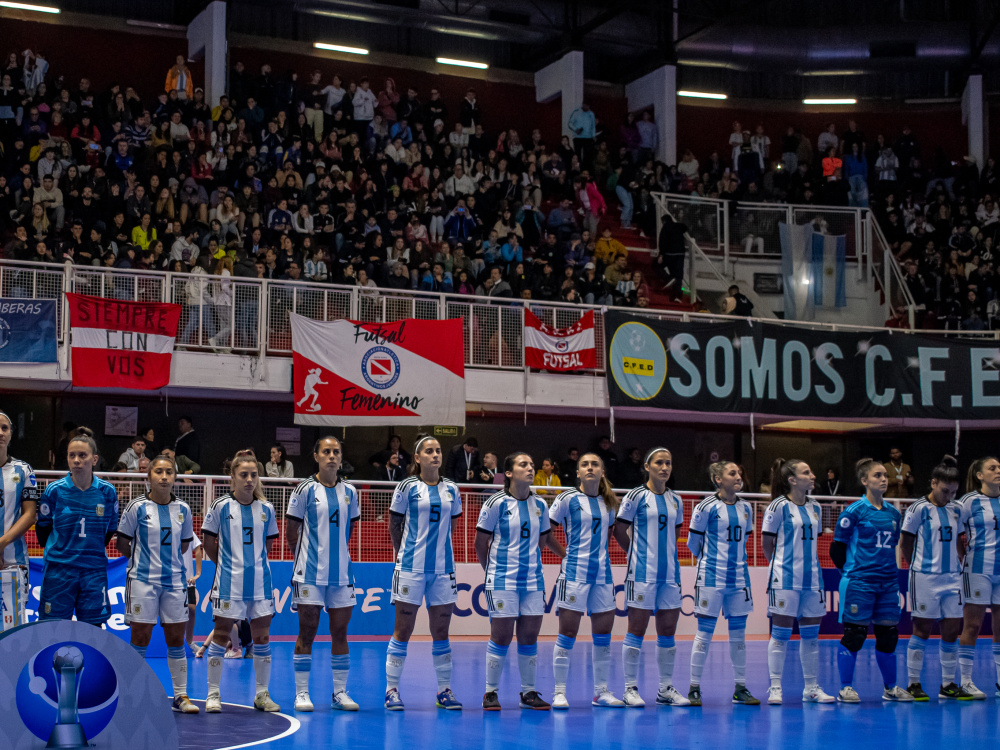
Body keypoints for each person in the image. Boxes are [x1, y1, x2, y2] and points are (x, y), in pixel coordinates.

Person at [385, 437, 463, 710]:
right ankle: (391, 690)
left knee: (441, 631)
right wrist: (404, 556)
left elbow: (452, 526)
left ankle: (444, 691)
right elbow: (394, 525)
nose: (435, 455)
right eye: (429, 451)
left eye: (438, 450)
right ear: (417, 458)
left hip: (443, 570)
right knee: (403, 630)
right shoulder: (407, 487)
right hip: (410, 568)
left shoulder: (452, 489)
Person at [116, 456, 199, 714]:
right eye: (159, 472)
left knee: (176, 638)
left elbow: (184, 545)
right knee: (140, 636)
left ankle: (181, 696)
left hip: (174, 582)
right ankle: (131, 695)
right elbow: (122, 543)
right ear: (148, 477)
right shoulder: (136, 507)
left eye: (169, 472)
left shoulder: (183, 509)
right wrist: (143, 562)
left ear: (175, 477)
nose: (164, 476)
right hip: (142, 581)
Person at [201, 450, 280, 713]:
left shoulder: (267, 509)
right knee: (221, 636)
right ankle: (213, 694)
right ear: (232, 477)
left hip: (260, 583)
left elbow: (267, 546)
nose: (249, 480)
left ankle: (262, 695)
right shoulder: (220, 506)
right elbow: (208, 543)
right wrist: (226, 565)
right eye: (243, 475)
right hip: (228, 583)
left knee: (262, 638)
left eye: (253, 475)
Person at [287, 436, 361, 712]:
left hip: (341, 575)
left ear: (341, 458)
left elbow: (349, 530)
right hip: (309, 574)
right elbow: (291, 532)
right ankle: (301, 693)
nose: (332, 456)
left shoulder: (350, 491)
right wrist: (304, 559)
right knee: (307, 632)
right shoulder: (304, 489)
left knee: (340, 632)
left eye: (336, 452)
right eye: (326, 451)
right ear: (316, 456)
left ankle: (340, 693)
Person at [613, 448, 690, 707]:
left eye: (668, 463)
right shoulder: (635, 496)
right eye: (659, 462)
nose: (664, 467)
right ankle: (629, 689)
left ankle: (665, 689)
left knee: (667, 631)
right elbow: (619, 530)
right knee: (636, 630)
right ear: (647, 466)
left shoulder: (676, 499)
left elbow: (675, 533)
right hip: (641, 573)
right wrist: (635, 554)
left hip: (670, 574)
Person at [475, 453, 553, 710]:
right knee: (501, 636)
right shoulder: (495, 503)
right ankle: (490, 693)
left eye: (532, 464)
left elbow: (542, 540)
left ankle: (528, 693)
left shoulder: (540, 505)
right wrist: (491, 572)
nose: (530, 468)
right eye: (523, 465)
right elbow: (480, 543)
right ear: (508, 473)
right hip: (502, 579)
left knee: (529, 636)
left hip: (533, 580)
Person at [830, 458, 911, 702]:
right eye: (878, 475)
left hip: (888, 583)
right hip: (860, 582)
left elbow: (892, 545)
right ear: (864, 480)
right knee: (855, 635)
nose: (884, 479)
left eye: (885, 475)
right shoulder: (854, 511)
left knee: (889, 635)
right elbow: (837, 548)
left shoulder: (893, 513)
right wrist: (851, 573)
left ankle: (890, 688)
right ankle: (845, 688)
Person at [548, 453, 623, 709]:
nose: (590, 468)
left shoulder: (609, 503)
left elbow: (608, 536)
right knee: (567, 633)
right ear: (578, 472)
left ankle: (601, 692)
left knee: (603, 635)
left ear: (602, 471)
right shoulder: (566, 499)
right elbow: (546, 532)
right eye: (584, 465)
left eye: (595, 464)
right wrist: (565, 555)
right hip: (574, 575)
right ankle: (559, 692)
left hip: (602, 576)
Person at [761, 459, 836, 705]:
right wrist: (779, 567)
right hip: (785, 579)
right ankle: (775, 687)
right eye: (806, 472)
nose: (812, 475)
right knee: (780, 635)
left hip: (812, 580)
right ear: (792, 480)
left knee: (811, 637)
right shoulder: (778, 506)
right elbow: (767, 544)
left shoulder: (816, 507)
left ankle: (811, 688)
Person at [686, 460, 759, 706]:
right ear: (718, 479)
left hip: (738, 578)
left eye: (739, 473)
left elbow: (744, 539)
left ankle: (740, 688)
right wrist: (710, 561)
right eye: (732, 473)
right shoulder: (706, 507)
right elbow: (692, 543)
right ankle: (694, 688)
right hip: (711, 577)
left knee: (738, 636)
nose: (738, 476)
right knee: (704, 634)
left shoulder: (746, 507)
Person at [900, 456, 971, 700]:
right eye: (944, 491)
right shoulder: (918, 509)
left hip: (952, 578)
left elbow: (959, 539)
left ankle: (948, 684)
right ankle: (913, 684)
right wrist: (916, 567)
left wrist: (961, 563)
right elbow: (905, 542)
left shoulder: (957, 509)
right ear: (933, 483)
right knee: (922, 629)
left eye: (953, 492)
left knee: (951, 630)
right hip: (925, 577)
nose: (948, 496)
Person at [35, 434, 119, 626]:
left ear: (94, 459)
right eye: (71, 455)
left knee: (93, 629)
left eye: (82, 455)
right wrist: (64, 551)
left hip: (93, 571)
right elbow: (43, 529)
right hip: (59, 570)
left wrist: (89, 551)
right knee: (53, 627)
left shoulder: (107, 492)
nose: (76, 460)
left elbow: (109, 531)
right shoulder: (54, 490)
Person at [956, 456, 1000, 699]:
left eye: (999, 467)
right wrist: (963, 557)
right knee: (972, 625)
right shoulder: (968, 501)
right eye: (992, 468)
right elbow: (954, 533)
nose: (998, 471)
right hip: (977, 570)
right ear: (980, 475)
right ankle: (965, 682)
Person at [0, 410, 39, 629]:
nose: (0, 432)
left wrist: (1, 543)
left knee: (13, 628)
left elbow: (30, 514)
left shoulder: (24, 470)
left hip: (14, 561)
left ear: (11, 434)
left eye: (4, 428)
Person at [184, 532, 204, 651]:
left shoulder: (188, 532)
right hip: (171, 580)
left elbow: (197, 549)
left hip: (188, 580)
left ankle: (189, 641)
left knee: (191, 609)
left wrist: (198, 573)